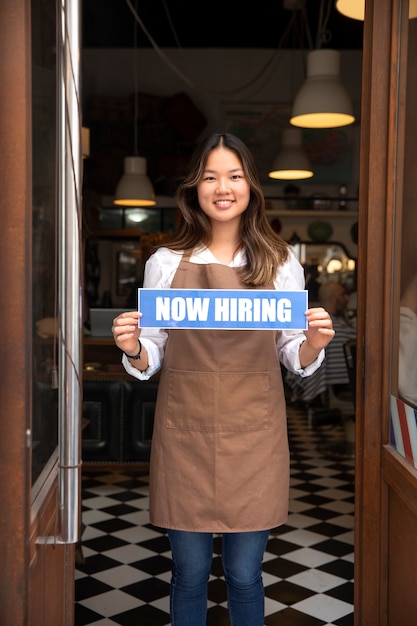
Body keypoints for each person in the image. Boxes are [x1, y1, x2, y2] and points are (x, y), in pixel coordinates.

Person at [112, 132, 334, 626]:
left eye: (234, 176)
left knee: (245, 576)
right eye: (211, 176)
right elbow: (154, 351)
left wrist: (315, 342)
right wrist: (133, 348)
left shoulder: (280, 263)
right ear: (195, 188)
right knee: (187, 575)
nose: (223, 187)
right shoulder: (165, 263)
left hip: (254, 438)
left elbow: (291, 354)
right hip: (185, 435)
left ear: (251, 186)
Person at [317, 281, 356, 387]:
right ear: (333, 299)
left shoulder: (338, 323)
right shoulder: (332, 328)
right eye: (343, 294)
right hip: (340, 385)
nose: (347, 298)